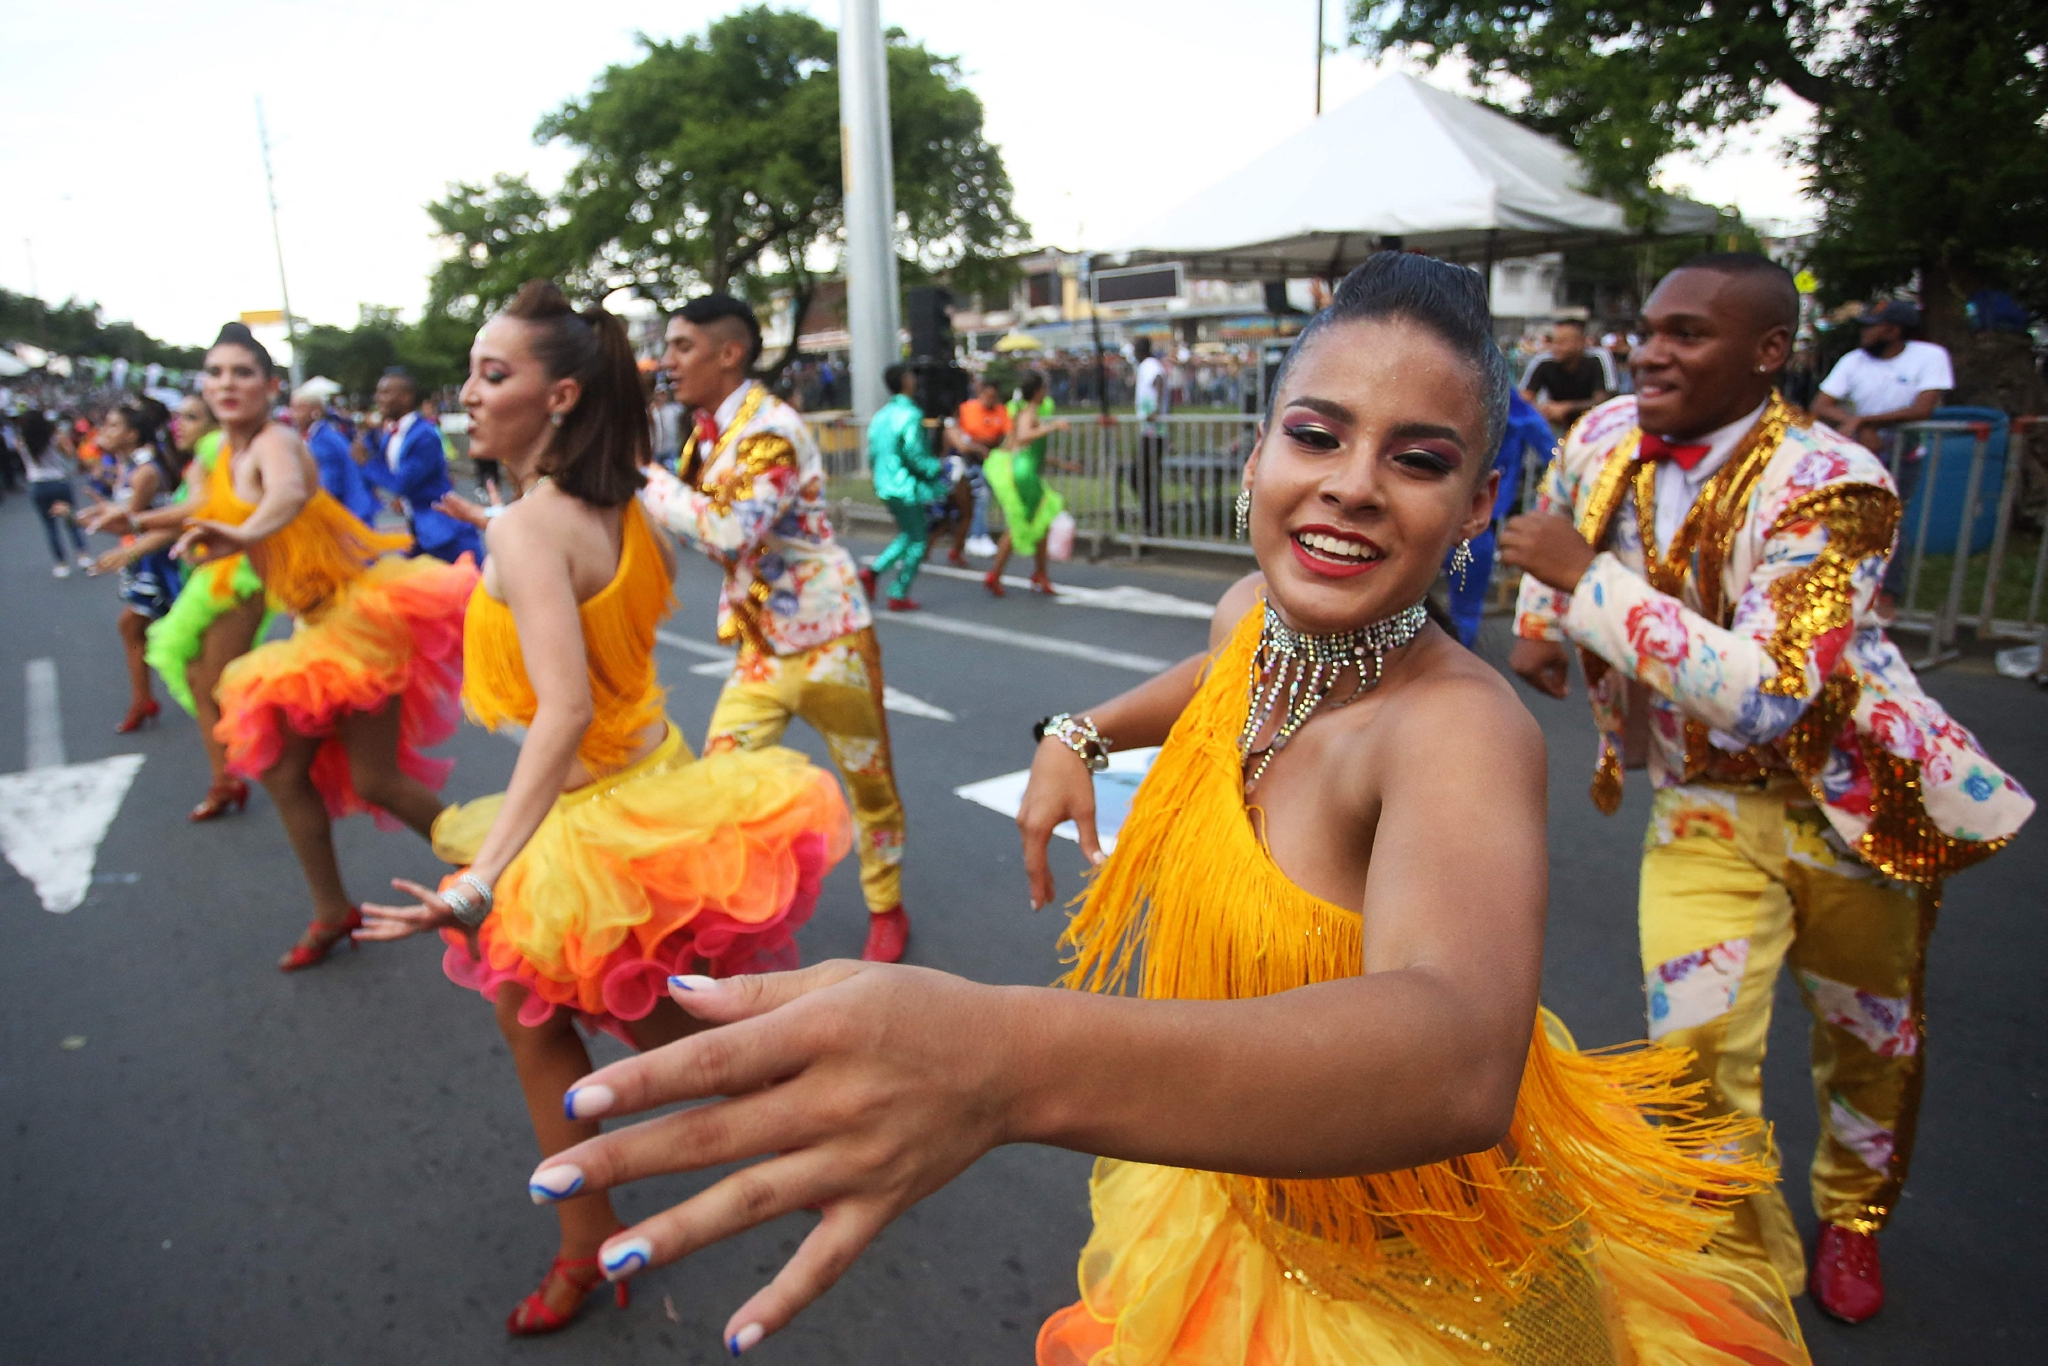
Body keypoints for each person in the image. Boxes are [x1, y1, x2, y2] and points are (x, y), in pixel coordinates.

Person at [508, 254, 1811, 1364]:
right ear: (1260, 450)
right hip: (1235, 1215)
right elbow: (1220, 672)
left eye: (1417, 461)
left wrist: (1003, 1060)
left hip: (1414, 1298)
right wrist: (1081, 729)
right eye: (1318, 434)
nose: (1353, 484)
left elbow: (1459, 1047)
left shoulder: (1455, 729)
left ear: (1476, 508)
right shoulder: (1256, 612)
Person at [1500, 252, 2032, 1325]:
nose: (1651, 348)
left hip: (1853, 811)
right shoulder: (1603, 431)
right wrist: (1535, 619)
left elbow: (1765, 694)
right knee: (1688, 1052)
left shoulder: (1838, 483)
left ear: (1769, 352)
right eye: (1648, 328)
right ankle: (1745, 1265)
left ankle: (1855, 1214)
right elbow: (1559, 515)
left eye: (1687, 333)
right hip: (1698, 808)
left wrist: (1579, 587)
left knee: (1869, 1043)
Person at [349, 280, 851, 1337]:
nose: (470, 396)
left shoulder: (534, 529)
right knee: (545, 1019)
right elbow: (587, 610)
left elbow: (564, 708)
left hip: (595, 829)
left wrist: (480, 871)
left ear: (562, 393)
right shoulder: (616, 500)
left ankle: (840, 1126)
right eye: (473, 374)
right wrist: (501, 531)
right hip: (649, 788)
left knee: (680, 1038)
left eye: (496, 375)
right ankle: (588, 1242)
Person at [173, 323, 479, 970]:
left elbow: (285, 494)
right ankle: (333, 910)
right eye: (216, 373)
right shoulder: (222, 453)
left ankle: (493, 873)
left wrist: (238, 535)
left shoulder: (279, 440)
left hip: (357, 617)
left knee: (378, 780)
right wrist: (138, 527)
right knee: (284, 772)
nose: (227, 384)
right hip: (312, 626)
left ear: (271, 386)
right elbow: (190, 509)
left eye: (243, 372)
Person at [637, 293, 915, 965]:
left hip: (831, 642)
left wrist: (635, 471)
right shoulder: (708, 434)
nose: (667, 362)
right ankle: (724, 914)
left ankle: (886, 907)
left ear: (729, 354)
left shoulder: (774, 430)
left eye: (682, 348)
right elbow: (677, 517)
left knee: (870, 786)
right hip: (761, 653)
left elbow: (731, 530)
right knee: (718, 787)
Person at [1811, 300, 1955, 616]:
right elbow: (1821, 404)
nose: (1864, 332)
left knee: (1888, 519)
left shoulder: (1928, 357)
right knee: (1842, 517)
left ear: (1892, 330)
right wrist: (1856, 425)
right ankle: (1837, 590)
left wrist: (1864, 422)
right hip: (1857, 453)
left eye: (1871, 325)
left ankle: (1886, 592)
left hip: (1902, 452)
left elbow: (1923, 408)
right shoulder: (1854, 360)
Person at [84, 397, 185, 732]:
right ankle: (142, 700)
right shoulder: (131, 466)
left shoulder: (144, 472)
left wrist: (95, 517)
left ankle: (148, 701)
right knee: (133, 628)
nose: (105, 431)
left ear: (131, 434)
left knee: (168, 633)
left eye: (113, 425)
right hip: (144, 557)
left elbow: (132, 523)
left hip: (157, 561)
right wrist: (100, 512)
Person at [1439, 386, 1553, 647]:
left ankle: (1455, 666)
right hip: (1429, 521)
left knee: (1463, 611)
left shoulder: (1507, 400)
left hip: (1470, 526)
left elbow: (1556, 458)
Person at [355, 367, 484, 564]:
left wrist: (367, 463)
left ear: (406, 398)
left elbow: (402, 483)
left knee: (470, 584)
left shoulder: (425, 435)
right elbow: (390, 473)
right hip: (419, 530)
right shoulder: (390, 433)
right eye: (379, 392)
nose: (378, 398)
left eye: (386, 392)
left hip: (444, 530)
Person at [861, 363, 947, 611]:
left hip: (884, 483)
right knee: (919, 540)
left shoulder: (882, 415)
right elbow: (914, 453)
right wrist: (936, 468)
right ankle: (897, 590)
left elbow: (873, 451)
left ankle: (875, 572)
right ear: (905, 381)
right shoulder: (910, 414)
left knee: (909, 534)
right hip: (905, 485)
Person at [982, 371, 1074, 596]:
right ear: (1037, 392)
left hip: (1026, 471)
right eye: (1044, 390)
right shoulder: (1029, 413)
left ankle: (1038, 573)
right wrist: (1054, 426)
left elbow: (1024, 448)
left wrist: (1061, 464)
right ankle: (997, 573)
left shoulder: (1025, 412)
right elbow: (1024, 437)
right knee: (1021, 523)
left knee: (1040, 522)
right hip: (1024, 475)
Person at [291, 385, 379, 525]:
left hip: (346, 512)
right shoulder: (319, 436)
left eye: (299, 408)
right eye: (293, 408)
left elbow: (330, 484)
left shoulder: (324, 440)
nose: (293, 414)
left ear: (316, 411)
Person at [18, 410, 91, 576]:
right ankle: (83, 555)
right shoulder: (54, 437)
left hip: (37, 483)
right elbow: (71, 453)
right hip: (58, 480)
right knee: (71, 519)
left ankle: (61, 563)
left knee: (49, 526)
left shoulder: (22, 441)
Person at [950, 376, 1008, 559]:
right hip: (970, 461)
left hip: (991, 461)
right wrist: (978, 446)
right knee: (979, 497)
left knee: (980, 500)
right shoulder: (968, 409)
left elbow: (1006, 434)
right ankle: (977, 536)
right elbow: (963, 439)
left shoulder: (1000, 411)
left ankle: (964, 543)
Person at [1519, 318, 1613, 430]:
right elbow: (1524, 399)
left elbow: (1604, 403)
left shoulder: (1598, 358)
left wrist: (1567, 408)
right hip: (1556, 425)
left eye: (1562, 343)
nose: (1556, 348)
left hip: (1593, 426)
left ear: (1580, 343)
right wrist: (1543, 409)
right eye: (1554, 342)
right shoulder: (1543, 361)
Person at [1131, 336, 1168, 535]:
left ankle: (1153, 522)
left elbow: (1159, 381)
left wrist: (1157, 409)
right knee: (1142, 477)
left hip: (1154, 431)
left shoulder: (1151, 364)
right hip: (1147, 430)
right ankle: (1150, 518)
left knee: (1145, 477)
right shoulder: (1145, 366)